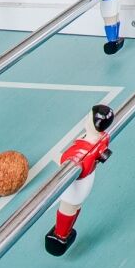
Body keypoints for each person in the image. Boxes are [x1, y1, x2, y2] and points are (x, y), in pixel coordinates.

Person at [44, 103, 115, 255]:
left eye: (89, 116)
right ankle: (66, 231)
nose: (86, 118)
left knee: (67, 207)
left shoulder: (82, 150)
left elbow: (66, 160)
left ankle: (60, 235)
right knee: (76, 206)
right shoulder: (102, 138)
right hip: (87, 180)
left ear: (94, 123)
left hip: (75, 185)